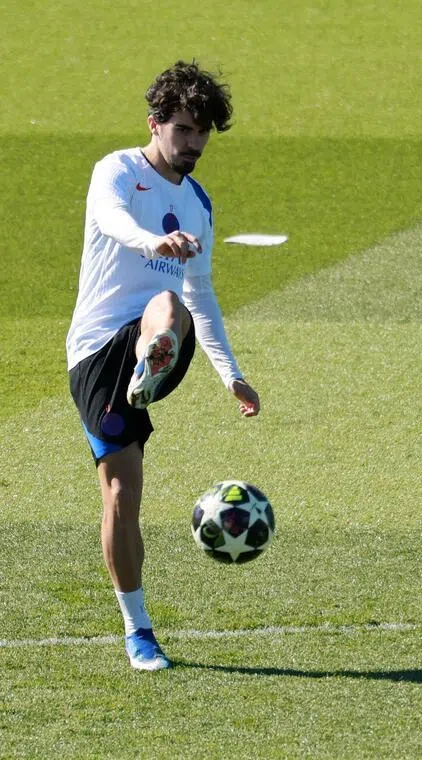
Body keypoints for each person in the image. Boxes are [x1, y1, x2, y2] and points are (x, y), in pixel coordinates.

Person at [65, 60, 260, 671]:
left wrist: (230, 373)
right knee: (122, 494)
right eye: (183, 131)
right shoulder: (117, 170)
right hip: (98, 350)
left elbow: (203, 297)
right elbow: (111, 221)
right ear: (155, 124)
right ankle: (138, 629)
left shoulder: (198, 204)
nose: (195, 145)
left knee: (172, 303)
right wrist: (155, 244)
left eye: (202, 133)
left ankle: (155, 358)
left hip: (164, 338)